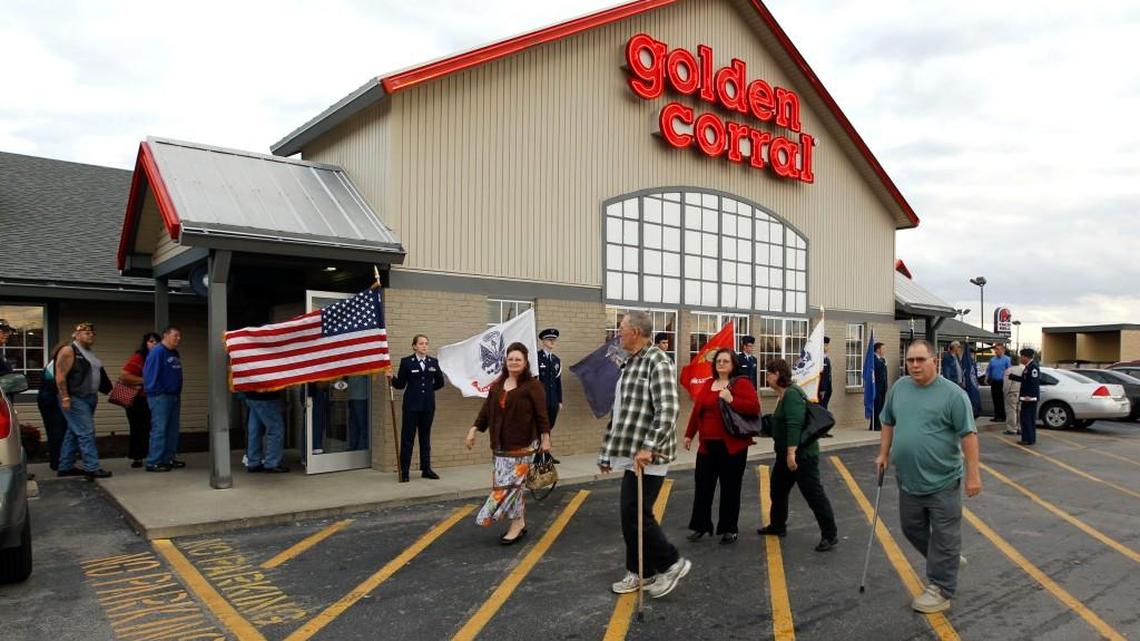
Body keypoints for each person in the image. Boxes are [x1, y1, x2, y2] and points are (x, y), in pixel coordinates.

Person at [875, 339, 982, 614]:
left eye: (920, 360)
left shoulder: (953, 395)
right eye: (910, 360)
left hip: (943, 481)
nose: (914, 365)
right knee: (912, 529)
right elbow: (888, 421)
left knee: (945, 535)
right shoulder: (899, 388)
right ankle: (946, 559)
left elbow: (968, 435)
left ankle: (941, 589)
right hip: (908, 481)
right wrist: (883, 454)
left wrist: (973, 475)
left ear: (934, 361)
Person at [600, 310, 690, 599]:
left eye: (621, 328)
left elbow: (668, 410)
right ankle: (642, 572)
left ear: (635, 332)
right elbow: (622, 412)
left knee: (636, 514)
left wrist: (649, 446)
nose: (618, 333)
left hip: (649, 455)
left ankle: (671, 563)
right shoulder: (630, 363)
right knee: (632, 515)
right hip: (630, 453)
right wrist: (607, 453)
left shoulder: (658, 361)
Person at [466, 342, 552, 544]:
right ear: (506, 361)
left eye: (518, 359)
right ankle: (518, 524)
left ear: (525, 362)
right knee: (514, 489)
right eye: (510, 359)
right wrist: (473, 429)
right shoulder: (497, 385)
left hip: (523, 447)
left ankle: (488, 514)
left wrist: (546, 438)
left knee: (507, 487)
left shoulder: (533, 386)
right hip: (500, 448)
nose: (513, 362)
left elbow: (542, 415)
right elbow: (486, 411)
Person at [757, 358, 838, 551]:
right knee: (777, 490)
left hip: (801, 456)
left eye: (769, 373)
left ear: (778, 375)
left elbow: (795, 424)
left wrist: (791, 453)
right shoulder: (783, 395)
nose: (767, 376)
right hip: (785, 455)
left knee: (814, 495)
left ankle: (830, 534)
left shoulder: (792, 394)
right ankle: (778, 525)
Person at [683, 348, 760, 544]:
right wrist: (689, 434)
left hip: (732, 447)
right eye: (718, 361)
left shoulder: (742, 384)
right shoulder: (709, 384)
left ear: (733, 364)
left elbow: (754, 408)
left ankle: (729, 529)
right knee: (703, 487)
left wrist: (731, 399)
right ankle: (701, 525)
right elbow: (697, 411)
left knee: (730, 488)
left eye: (726, 361)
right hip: (707, 447)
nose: (721, 364)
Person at [54, 322, 113, 479]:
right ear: (76, 335)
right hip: (75, 397)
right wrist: (65, 397)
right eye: (86, 333)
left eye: (92, 333)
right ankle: (92, 467)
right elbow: (60, 376)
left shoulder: (89, 353)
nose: (91, 335)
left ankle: (65, 466)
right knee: (86, 432)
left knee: (74, 431)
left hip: (89, 397)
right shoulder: (69, 350)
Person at [387, 334, 446, 481]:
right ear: (414, 346)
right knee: (408, 439)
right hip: (411, 407)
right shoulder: (406, 362)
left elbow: (440, 382)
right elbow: (400, 385)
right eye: (421, 343)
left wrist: (428, 391)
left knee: (425, 439)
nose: (424, 346)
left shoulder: (433, 362)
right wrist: (391, 377)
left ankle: (426, 469)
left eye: (426, 343)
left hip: (427, 407)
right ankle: (404, 471)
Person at [143, 326, 184, 472]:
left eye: (179, 336)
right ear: (165, 336)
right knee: (159, 429)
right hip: (160, 396)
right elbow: (150, 374)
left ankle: (168, 458)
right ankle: (154, 461)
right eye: (175, 335)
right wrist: (155, 391)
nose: (178, 339)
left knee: (172, 429)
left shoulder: (174, 352)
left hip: (174, 395)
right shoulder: (157, 352)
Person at [118, 332, 160, 468]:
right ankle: (137, 457)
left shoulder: (158, 357)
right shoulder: (139, 357)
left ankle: (149, 454)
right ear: (145, 343)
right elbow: (124, 376)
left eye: (156, 342)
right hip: (136, 399)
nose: (154, 344)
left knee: (149, 427)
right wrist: (147, 381)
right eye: (151, 341)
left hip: (150, 398)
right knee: (137, 428)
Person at [36, 342, 69, 471]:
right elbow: (58, 382)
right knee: (57, 431)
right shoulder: (58, 364)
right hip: (51, 400)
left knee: (55, 431)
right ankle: (58, 462)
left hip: (46, 399)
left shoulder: (52, 363)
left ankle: (57, 460)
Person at [243, 390, 289, 473]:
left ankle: (253, 462)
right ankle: (272, 463)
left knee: (255, 430)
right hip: (267, 396)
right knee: (276, 428)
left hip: (251, 395)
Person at [1010, 348, 1039, 445]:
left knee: (1027, 419)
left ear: (1026, 357)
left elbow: (1033, 383)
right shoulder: (1028, 367)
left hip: (1029, 398)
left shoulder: (1033, 367)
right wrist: (1013, 377)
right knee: (1025, 418)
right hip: (1026, 397)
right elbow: (1025, 380)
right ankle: (1027, 438)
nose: (1021, 358)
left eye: (1022, 356)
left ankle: (1028, 439)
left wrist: (1029, 396)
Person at [537, 328, 563, 430]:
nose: (552, 342)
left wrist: (559, 401)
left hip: (553, 401)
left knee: (548, 428)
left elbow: (557, 382)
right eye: (549, 340)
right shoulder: (537, 358)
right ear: (543, 341)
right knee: (539, 429)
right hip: (541, 400)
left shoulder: (556, 360)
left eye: (554, 340)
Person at [985, 344, 1012, 423]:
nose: (996, 351)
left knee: (1002, 399)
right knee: (995, 399)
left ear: (1003, 350)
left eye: (998, 349)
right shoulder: (992, 360)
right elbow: (988, 370)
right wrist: (986, 378)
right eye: (996, 349)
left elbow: (1010, 371)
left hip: (1003, 382)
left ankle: (1003, 416)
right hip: (994, 382)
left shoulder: (1007, 359)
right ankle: (997, 416)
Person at [346, 375, 370, 452]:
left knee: (362, 425)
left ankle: (361, 450)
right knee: (353, 425)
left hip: (361, 396)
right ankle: (353, 448)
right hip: (352, 395)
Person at [1002, 361, 1023, 436]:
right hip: (1020, 393)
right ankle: (1020, 428)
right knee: (1019, 412)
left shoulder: (1009, 370)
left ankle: (1012, 429)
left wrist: (1005, 393)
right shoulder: (1023, 369)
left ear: (1011, 362)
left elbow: (1007, 384)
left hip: (1012, 393)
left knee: (1011, 412)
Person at [872, 342, 889, 431]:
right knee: (877, 406)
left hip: (882, 387)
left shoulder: (882, 360)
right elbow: (876, 370)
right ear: (878, 350)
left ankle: (878, 423)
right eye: (883, 349)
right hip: (876, 387)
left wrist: (886, 386)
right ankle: (875, 424)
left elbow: (884, 374)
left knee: (881, 406)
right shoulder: (874, 359)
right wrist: (882, 363)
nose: (884, 351)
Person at [818, 336, 833, 409]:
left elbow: (828, 374)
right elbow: (822, 374)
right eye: (826, 345)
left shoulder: (826, 359)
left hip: (827, 390)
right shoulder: (819, 359)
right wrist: (822, 389)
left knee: (824, 408)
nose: (827, 347)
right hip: (822, 391)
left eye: (827, 345)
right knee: (821, 409)